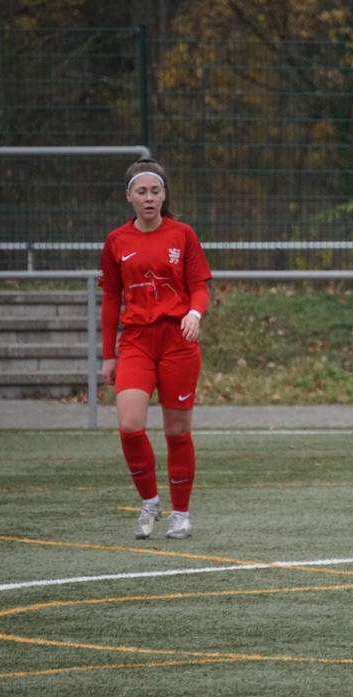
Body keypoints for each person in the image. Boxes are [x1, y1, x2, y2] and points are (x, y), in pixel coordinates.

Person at [99, 158, 212, 540]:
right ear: (128, 196)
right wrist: (108, 355)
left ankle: (181, 514)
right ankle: (150, 502)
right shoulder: (116, 241)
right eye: (142, 192)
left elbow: (199, 288)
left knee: (177, 431)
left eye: (155, 191)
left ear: (164, 195)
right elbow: (111, 299)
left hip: (178, 343)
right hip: (136, 342)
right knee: (130, 425)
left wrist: (194, 313)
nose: (149, 198)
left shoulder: (183, 234)